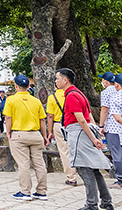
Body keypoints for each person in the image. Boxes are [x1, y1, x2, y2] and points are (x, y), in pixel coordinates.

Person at [57, 67, 113, 210]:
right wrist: (95, 135)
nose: (56, 81)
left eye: (57, 78)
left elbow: (81, 119)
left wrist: (94, 139)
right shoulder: (79, 93)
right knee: (94, 169)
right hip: (85, 132)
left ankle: (91, 204)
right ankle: (106, 201)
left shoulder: (71, 96)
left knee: (84, 169)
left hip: (78, 133)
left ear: (65, 80)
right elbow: (89, 116)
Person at [3, 74, 48, 201]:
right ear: (28, 86)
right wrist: (44, 136)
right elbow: (42, 120)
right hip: (36, 134)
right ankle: (42, 191)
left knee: (23, 165)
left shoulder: (11, 100)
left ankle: (25, 192)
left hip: (19, 134)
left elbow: (8, 118)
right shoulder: (36, 101)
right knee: (39, 164)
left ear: (15, 86)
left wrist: (8, 132)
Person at [46, 77, 79, 186]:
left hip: (59, 125)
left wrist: (50, 131)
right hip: (74, 123)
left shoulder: (52, 97)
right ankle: (80, 172)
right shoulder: (73, 94)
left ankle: (71, 177)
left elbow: (50, 115)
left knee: (64, 151)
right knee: (75, 148)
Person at [105, 73, 122, 188]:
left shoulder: (115, 97)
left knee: (117, 155)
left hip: (115, 129)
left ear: (116, 84)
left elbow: (117, 117)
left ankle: (120, 180)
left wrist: (101, 126)